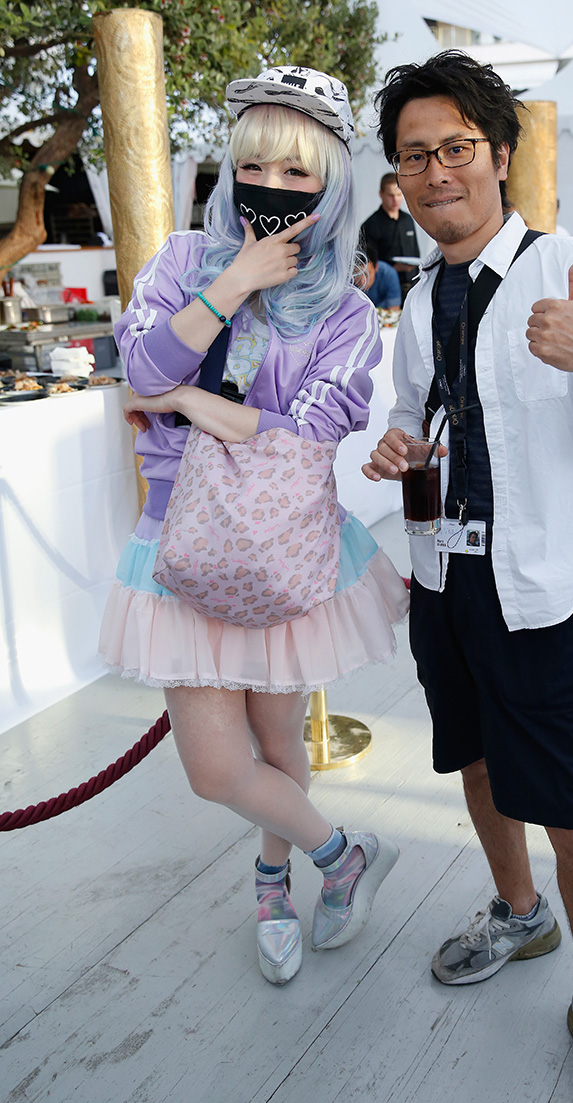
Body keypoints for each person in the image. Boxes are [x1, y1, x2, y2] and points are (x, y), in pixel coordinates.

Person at [362, 50, 573, 1103]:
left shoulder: (571, 266)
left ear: (498, 155)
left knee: (571, 801)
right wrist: (400, 448)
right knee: (475, 756)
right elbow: (424, 416)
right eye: (414, 156)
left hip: (547, 586)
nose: (436, 171)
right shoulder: (418, 298)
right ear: (397, 180)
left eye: (455, 147)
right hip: (444, 573)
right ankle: (516, 910)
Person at [99, 66, 408, 987]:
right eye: (254, 165)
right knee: (215, 768)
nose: (272, 186)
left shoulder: (348, 312)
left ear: (332, 183)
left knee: (280, 750)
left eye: (298, 172)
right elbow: (139, 366)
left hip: (279, 547)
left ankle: (275, 887)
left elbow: (308, 438)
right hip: (178, 545)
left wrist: (185, 398)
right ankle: (343, 855)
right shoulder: (187, 262)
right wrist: (230, 283)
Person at [361, 172, 421, 301]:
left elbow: (415, 252)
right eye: (391, 195)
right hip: (385, 291)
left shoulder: (408, 220)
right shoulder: (371, 224)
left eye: (399, 195)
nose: (395, 200)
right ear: (381, 194)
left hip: (411, 286)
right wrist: (394, 267)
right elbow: (368, 263)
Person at [358, 243, 402, 310]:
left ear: (376, 268)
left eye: (366, 274)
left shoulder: (389, 274)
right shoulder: (346, 279)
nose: (362, 281)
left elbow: (394, 310)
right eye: (357, 275)